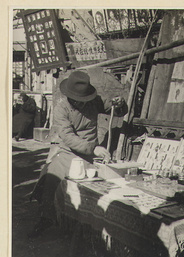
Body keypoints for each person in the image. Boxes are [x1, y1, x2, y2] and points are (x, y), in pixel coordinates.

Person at [28, 70, 127, 238]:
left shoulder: (94, 101)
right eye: (77, 101)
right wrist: (93, 148)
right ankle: (47, 217)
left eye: (83, 100)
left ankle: (92, 227)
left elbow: (118, 111)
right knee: (51, 178)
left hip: (90, 156)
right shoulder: (61, 109)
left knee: (96, 187)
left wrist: (119, 104)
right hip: (69, 152)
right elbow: (68, 137)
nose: (81, 104)